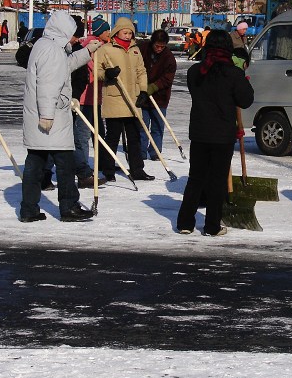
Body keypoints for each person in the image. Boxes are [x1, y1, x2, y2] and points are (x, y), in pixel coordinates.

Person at [19, 10, 101, 222]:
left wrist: (86, 52)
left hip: (42, 119)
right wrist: (47, 115)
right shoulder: (52, 51)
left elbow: (64, 66)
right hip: (51, 120)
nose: (77, 38)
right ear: (63, 31)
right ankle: (69, 206)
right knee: (65, 166)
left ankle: (28, 209)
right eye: (74, 33)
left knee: (34, 164)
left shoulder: (45, 46)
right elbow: (48, 85)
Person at [176, 30, 254, 236]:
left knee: (196, 178)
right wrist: (243, 80)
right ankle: (212, 225)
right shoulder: (233, 73)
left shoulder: (195, 72)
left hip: (200, 131)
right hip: (222, 133)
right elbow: (245, 100)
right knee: (217, 180)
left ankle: (185, 222)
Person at [93, 16, 155, 182]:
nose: (128, 35)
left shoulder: (135, 49)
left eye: (130, 33)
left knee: (134, 137)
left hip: (133, 100)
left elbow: (141, 71)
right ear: (116, 32)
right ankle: (108, 170)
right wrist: (106, 74)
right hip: (115, 98)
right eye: (125, 32)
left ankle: (137, 169)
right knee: (113, 137)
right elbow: (96, 71)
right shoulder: (106, 49)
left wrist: (143, 91)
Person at [76, 18, 112, 188]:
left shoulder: (103, 45)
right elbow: (93, 67)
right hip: (85, 98)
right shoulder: (90, 46)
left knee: (99, 133)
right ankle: (83, 171)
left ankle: (101, 164)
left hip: (95, 98)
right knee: (83, 135)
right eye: (106, 30)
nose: (109, 33)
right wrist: (106, 73)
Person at [139, 29, 177, 160]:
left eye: (162, 46)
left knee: (157, 126)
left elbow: (168, 78)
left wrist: (154, 87)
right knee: (143, 125)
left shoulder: (169, 58)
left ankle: (155, 151)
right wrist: (143, 86)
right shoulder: (143, 49)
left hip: (160, 97)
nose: (159, 49)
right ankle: (141, 151)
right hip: (142, 95)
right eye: (157, 46)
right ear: (152, 43)